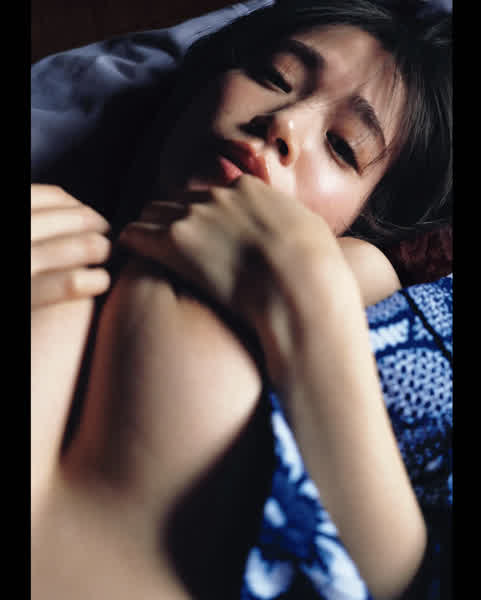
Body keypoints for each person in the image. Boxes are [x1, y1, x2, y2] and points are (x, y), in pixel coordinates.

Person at [31, 1, 452, 598]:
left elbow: (402, 578)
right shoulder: (54, 217)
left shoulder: (345, 276)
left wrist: (312, 292)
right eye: (275, 77)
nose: (285, 121)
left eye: (343, 147)